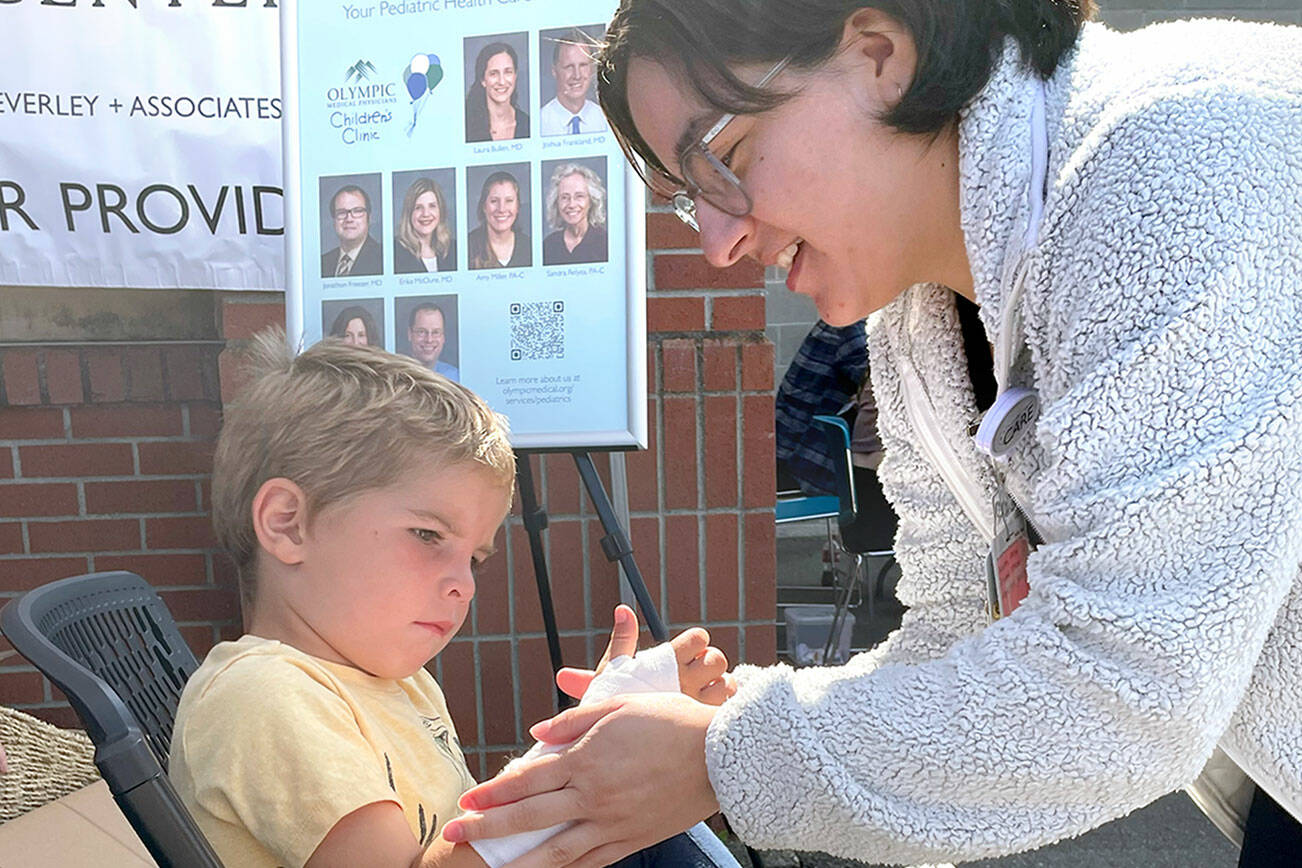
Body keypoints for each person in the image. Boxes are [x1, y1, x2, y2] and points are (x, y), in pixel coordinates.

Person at [443, 3, 1302, 866]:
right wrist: (716, 719)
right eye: (686, 200)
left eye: (724, 160)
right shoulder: (918, 321)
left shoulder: (1172, 164)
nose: (719, 241)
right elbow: (961, 634)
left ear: (879, 53)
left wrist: (716, 758)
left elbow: (1132, 687)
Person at [169, 333, 740, 867]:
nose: (463, 583)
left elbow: (463, 837)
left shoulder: (396, 679)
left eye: (475, 557)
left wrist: (600, 733)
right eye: (428, 536)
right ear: (288, 524)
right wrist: (579, 767)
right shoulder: (264, 698)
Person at [539, 33, 607, 137]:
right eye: (569, 66)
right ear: (554, 71)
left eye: (583, 65)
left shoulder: (604, 119)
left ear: (592, 69)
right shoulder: (540, 122)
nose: (577, 75)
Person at [541, 163, 609, 266]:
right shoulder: (548, 245)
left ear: (591, 201)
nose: (571, 204)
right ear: (556, 202)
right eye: (564, 197)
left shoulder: (605, 242)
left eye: (579, 196)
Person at [465, 42, 530, 143]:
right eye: (493, 74)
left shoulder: (527, 124)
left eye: (508, 72)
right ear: (483, 80)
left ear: (515, 76)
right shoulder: (466, 126)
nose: (502, 81)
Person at [468, 172, 531, 270]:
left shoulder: (529, 247)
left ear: (518, 206)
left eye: (509, 201)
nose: (501, 209)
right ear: (484, 206)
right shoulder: (468, 247)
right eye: (494, 201)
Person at [396, 178, 458, 274]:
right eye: (418, 208)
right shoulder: (395, 253)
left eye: (432, 206)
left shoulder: (453, 250)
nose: (425, 214)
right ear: (409, 213)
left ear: (440, 210)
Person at [321, 185, 382, 278]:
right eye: (341, 212)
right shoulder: (322, 263)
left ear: (369, 218)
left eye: (357, 211)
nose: (349, 219)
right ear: (334, 220)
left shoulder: (383, 260)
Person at [406, 303, 460, 382]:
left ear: (443, 337)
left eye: (436, 332)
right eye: (421, 332)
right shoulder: (396, 376)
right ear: (410, 334)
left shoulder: (456, 377)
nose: (429, 339)